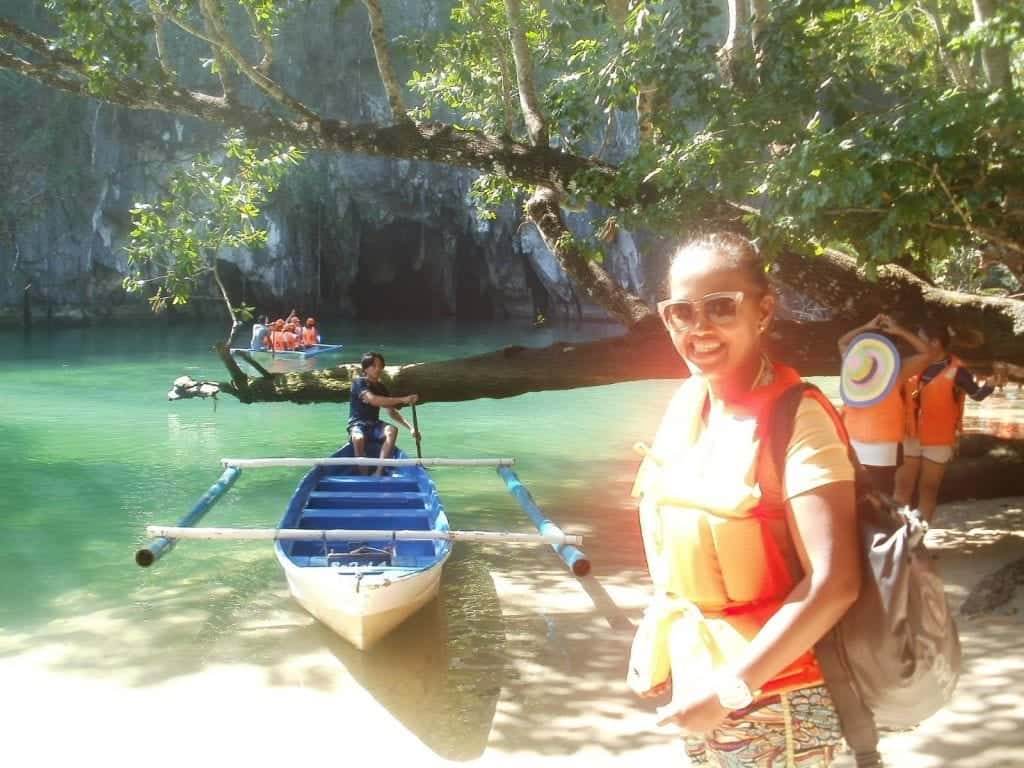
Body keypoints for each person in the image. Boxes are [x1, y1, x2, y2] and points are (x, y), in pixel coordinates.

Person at [630, 232, 860, 767]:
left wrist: (732, 690)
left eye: (720, 306)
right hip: (697, 687)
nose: (699, 327)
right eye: (680, 312)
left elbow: (835, 583)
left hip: (779, 701)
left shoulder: (799, 419)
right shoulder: (687, 406)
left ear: (763, 310)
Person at [894, 320, 994, 522]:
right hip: (910, 434)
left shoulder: (957, 370)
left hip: (939, 438)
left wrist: (992, 383)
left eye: (919, 339)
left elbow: (977, 394)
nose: (915, 343)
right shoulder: (912, 363)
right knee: (903, 488)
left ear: (935, 343)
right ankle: (898, 540)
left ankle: (918, 541)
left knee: (928, 490)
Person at [836, 313, 931, 495]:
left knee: (853, 502)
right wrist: (900, 331)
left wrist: (866, 326)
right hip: (883, 447)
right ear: (892, 351)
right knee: (879, 502)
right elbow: (927, 354)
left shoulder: (854, 362)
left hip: (850, 442)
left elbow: (841, 342)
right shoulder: (897, 370)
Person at [348, 352, 420, 476]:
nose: (378, 369)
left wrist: (411, 428)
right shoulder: (358, 383)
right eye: (374, 366)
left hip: (374, 425)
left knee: (392, 430)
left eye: (380, 366)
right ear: (365, 368)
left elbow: (391, 411)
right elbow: (373, 400)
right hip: (357, 425)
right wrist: (403, 399)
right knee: (358, 438)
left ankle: (379, 471)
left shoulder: (381, 388)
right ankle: (363, 475)